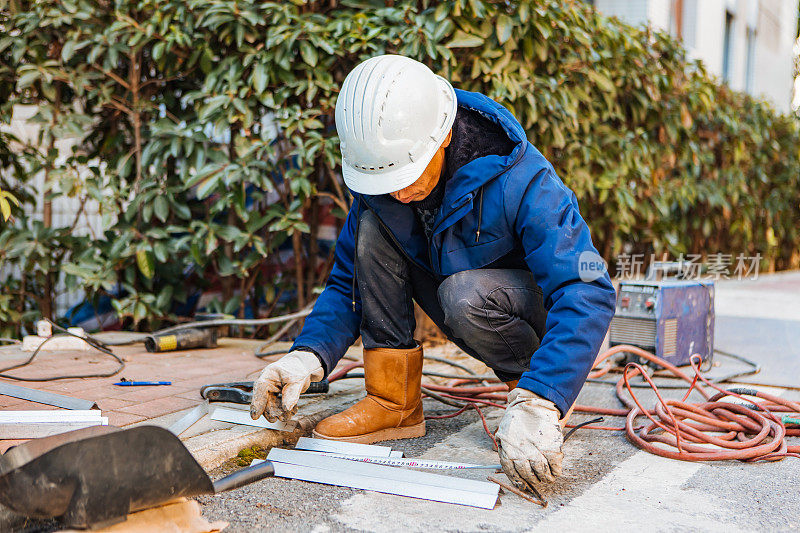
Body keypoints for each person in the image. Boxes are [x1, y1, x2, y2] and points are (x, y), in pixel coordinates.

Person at [250, 55, 616, 489]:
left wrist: (544, 394)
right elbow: (348, 282)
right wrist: (307, 356)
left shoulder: (523, 177)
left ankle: (535, 397)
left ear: (441, 138)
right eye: (389, 182)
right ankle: (394, 402)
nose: (400, 193)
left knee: (464, 295)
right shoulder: (384, 186)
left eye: (408, 175)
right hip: (462, 295)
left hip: (522, 313)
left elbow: (590, 287)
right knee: (372, 228)